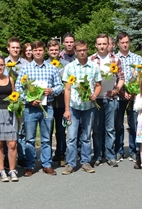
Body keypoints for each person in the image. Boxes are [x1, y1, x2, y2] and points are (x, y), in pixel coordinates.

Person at [16, 41, 63, 176]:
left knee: (46, 138)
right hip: (30, 108)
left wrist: (51, 90)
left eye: (40, 50)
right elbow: (19, 89)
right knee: (29, 139)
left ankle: (46, 164)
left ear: (44, 51)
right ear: (32, 52)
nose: (37, 52)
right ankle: (30, 165)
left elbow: (60, 86)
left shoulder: (52, 68)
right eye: (35, 50)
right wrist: (29, 99)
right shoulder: (26, 69)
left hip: (47, 107)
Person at [61, 41, 102, 175]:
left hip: (89, 107)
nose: (82, 52)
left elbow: (98, 85)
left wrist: (95, 95)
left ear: (88, 50)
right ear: (75, 51)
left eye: (84, 50)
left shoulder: (94, 67)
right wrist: (66, 109)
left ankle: (85, 162)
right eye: (79, 50)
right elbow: (67, 90)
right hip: (73, 107)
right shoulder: (70, 67)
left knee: (86, 136)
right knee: (71, 137)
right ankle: (71, 163)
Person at [89, 34, 124, 168]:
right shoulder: (91, 59)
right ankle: (98, 155)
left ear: (108, 44)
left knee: (110, 128)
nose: (102, 46)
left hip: (111, 98)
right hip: (96, 99)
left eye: (104, 43)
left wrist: (116, 91)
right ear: (96, 45)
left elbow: (121, 77)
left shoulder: (116, 59)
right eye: (100, 44)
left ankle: (110, 156)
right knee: (97, 129)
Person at [114, 32, 142, 161]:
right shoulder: (114, 58)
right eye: (122, 43)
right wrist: (121, 92)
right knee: (118, 124)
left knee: (134, 123)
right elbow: (112, 79)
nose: (125, 44)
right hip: (119, 95)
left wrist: (134, 92)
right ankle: (119, 150)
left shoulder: (137, 58)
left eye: (127, 42)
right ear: (118, 44)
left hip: (134, 95)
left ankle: (133, 150)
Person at [47, 39, 68, 165]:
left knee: (61, 130)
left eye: (56, 49)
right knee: (47, 130)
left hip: (61, 101)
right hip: (48, 102)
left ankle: (60, 153)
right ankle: (47, 155)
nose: (54, 52)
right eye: (51, 50)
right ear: (47, 51)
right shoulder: (44, 64)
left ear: (59, 51)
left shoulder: (65, 64)